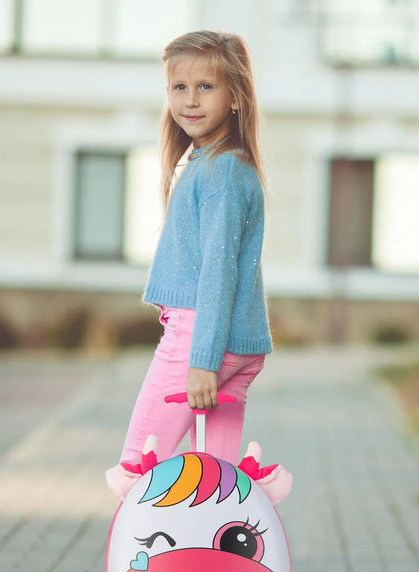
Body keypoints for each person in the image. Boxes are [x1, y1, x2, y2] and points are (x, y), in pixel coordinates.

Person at [106, 30, 287, 500]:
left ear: (235, 97)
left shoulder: (220, 171)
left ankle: (143, 569)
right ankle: (221, 566)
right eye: (178, 87)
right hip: (238, 342)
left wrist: (202, 363)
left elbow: (218, 273)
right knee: (221, 485)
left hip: (201, 340)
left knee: (138, 468)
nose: (190, 100)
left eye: (206, 87)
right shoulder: (221, 164)